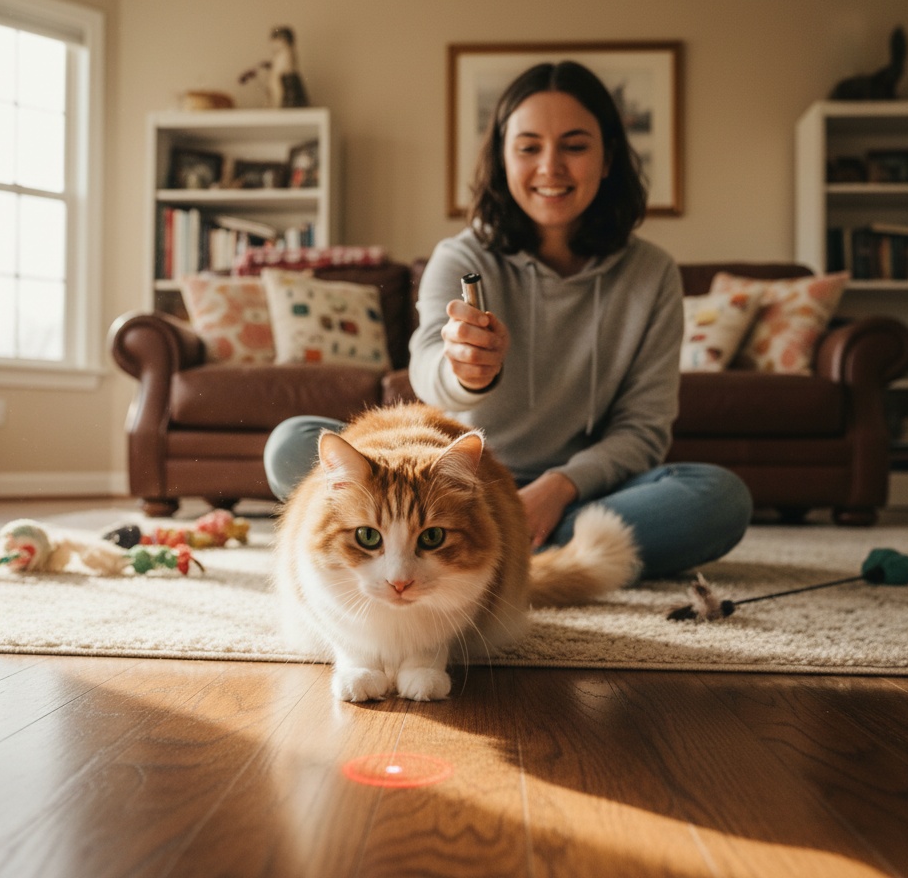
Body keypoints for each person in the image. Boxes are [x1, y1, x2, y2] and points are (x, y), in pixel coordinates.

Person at [265, 61, 752, 579]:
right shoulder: (457, 257)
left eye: (575, 145)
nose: (550, 167)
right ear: (502, 156)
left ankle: (493, 544)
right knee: (291, 446)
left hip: (579, 489)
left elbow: (643, 430)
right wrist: (463, 372)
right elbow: (428, 372)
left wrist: (559, 488)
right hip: (454, 486)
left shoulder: (652, 274)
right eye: (528, 147)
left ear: (608, 156)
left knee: (720, 499)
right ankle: (503, 544)